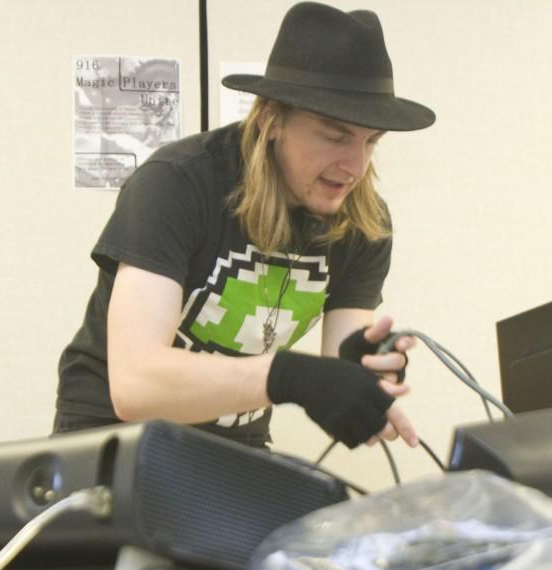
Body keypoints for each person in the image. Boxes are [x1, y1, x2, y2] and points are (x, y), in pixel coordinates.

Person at [54, 1, 435, 451]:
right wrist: (290, 376)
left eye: (371, 141)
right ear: (273, 118)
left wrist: (359, 378)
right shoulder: (177, 184)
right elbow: (136, 386)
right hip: (114, 441)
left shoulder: (364, 223)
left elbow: (337, 386)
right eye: (336, 136)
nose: (355, 165)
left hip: (236, 448)